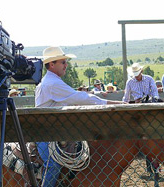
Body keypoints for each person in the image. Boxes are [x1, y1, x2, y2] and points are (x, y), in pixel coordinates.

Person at [35, 46, 126, 186]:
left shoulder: (50, 82)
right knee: (53, 165)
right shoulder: (52, 84)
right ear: (52, 64)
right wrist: (111, 103)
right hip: (46, 135)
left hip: (49, 131)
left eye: (66, 62)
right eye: (63, 62)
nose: (66, 65)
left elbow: (75, 99)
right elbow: (80, 98)